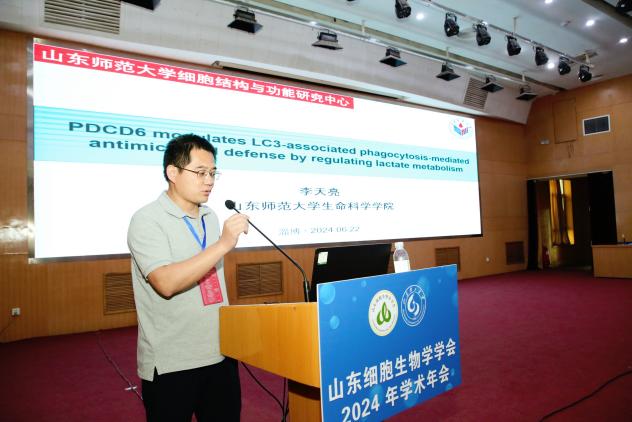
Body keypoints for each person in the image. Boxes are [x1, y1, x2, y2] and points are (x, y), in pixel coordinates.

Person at [127, 133, 249, 422]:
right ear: (173, 172)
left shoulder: (210, 217)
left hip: (220, 354)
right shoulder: (147, 220)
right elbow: (166, 283)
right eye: (200, 172)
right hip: (172, 363)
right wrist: (223, 244)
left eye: (213, 173)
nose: (209, 181)